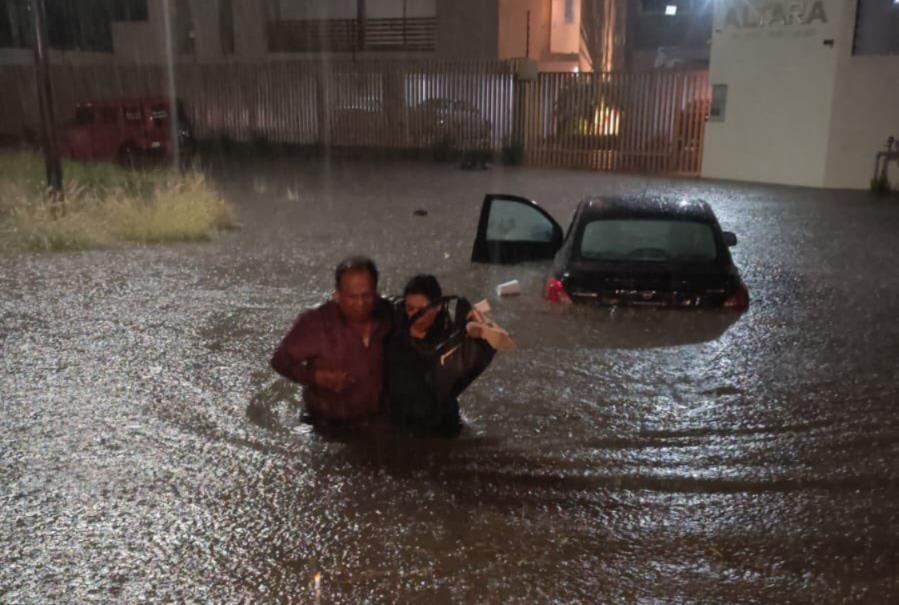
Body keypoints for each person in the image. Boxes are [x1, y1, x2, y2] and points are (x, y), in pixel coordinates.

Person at [270, 256, 393, 424]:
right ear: (337, 295)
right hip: (328, 424)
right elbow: (280, 361)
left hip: (377, 421)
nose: (360, 304)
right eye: (352, 297)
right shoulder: (316, 324)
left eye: (366, 296)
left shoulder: (389, 314)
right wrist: (315, 377)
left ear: (376, 293)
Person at [385, 274, 496, 438]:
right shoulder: (391, 321)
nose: (416, 316)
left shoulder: (450, 334)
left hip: (437, 415)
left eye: (422, 310)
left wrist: (480, 331)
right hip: (397, 412)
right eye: (410, 308)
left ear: (437, 307)